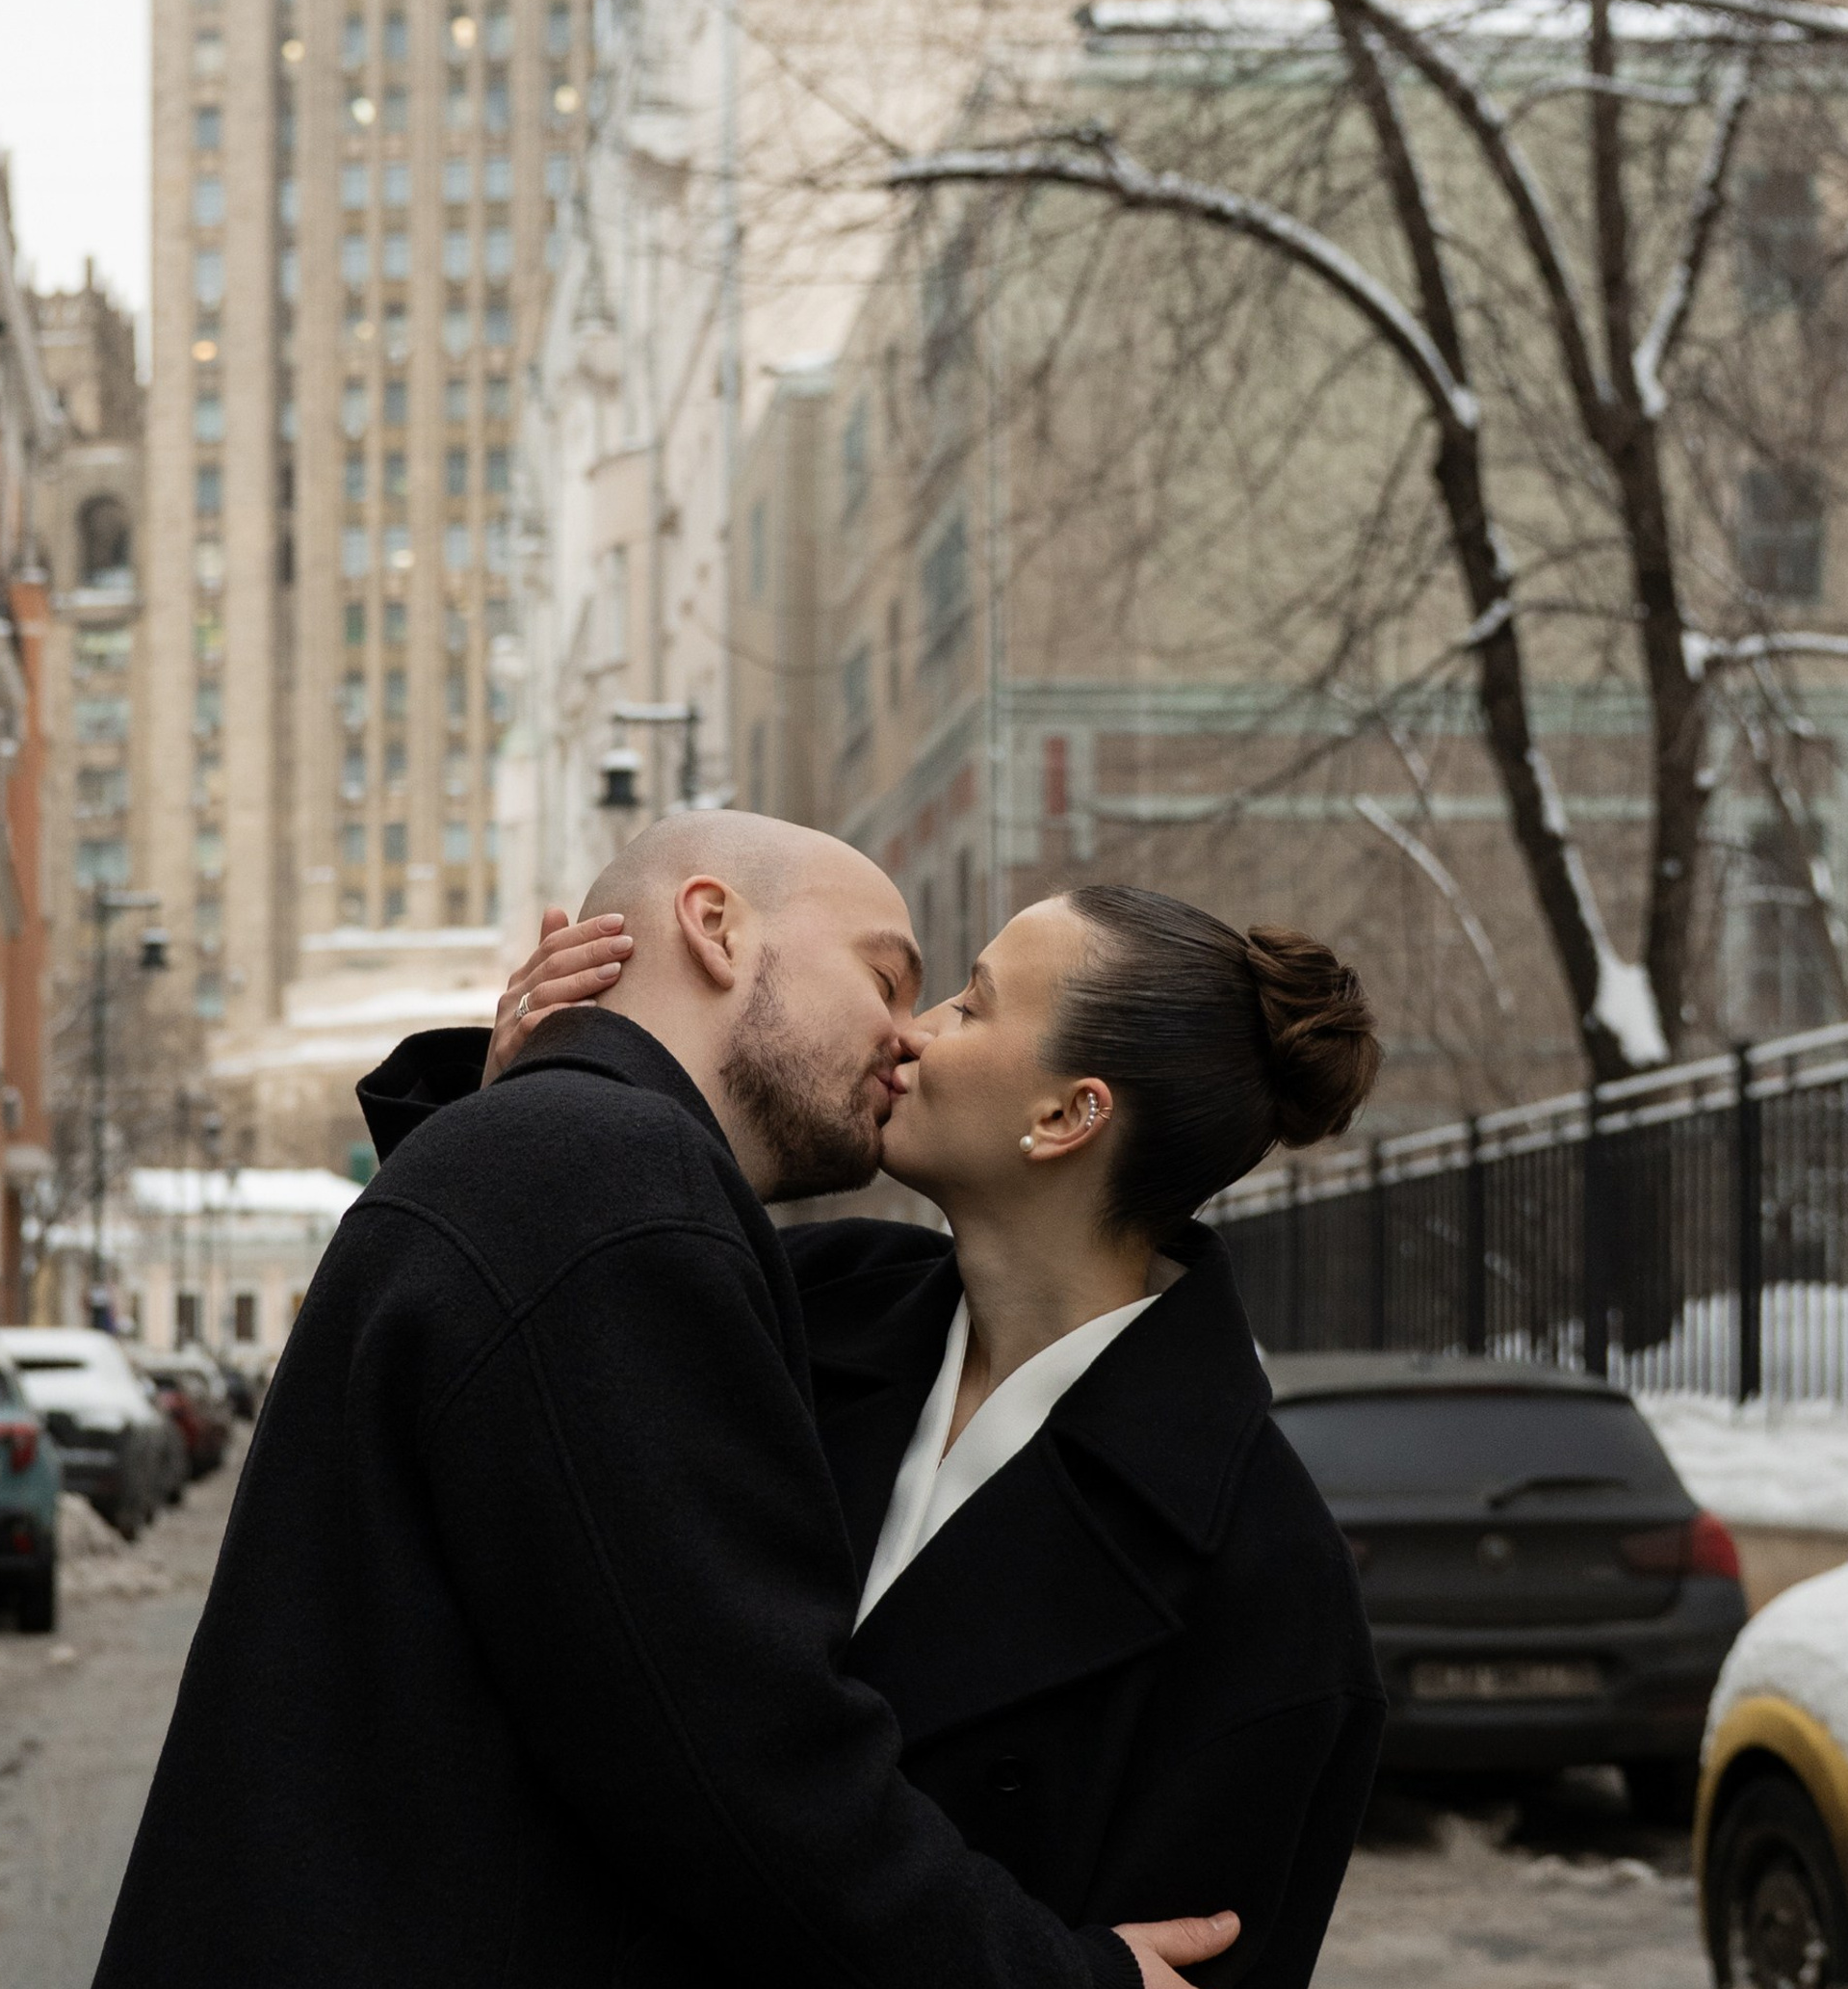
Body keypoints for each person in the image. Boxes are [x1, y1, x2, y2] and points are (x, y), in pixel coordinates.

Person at [92, 811, 1236, 1989]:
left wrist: (513, 1105)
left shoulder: (564, 1168)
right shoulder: (616, 1181)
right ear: (715, 926)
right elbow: (743, 1766)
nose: (906, 1035)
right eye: (885, 976)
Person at [369, 882, 1389, 1989]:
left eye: (970, 1003)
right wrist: (511, 1113)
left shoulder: (1266, 1580)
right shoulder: (807, 1300)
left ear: (1067, 1115)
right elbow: (512, 1394)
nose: (909, 1031)